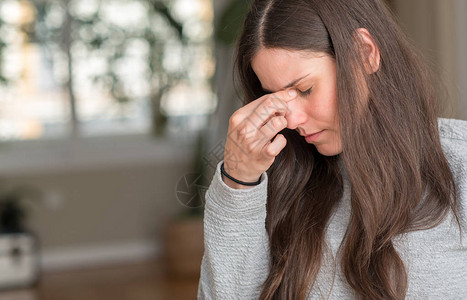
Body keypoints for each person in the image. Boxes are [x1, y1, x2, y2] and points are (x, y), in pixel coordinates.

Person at [197, 0, 467, 299]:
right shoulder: (274, 175)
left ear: (364, 54)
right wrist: (238, 182)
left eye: (304, 90)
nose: (291, 120)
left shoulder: (459, 164)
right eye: (274, 97)